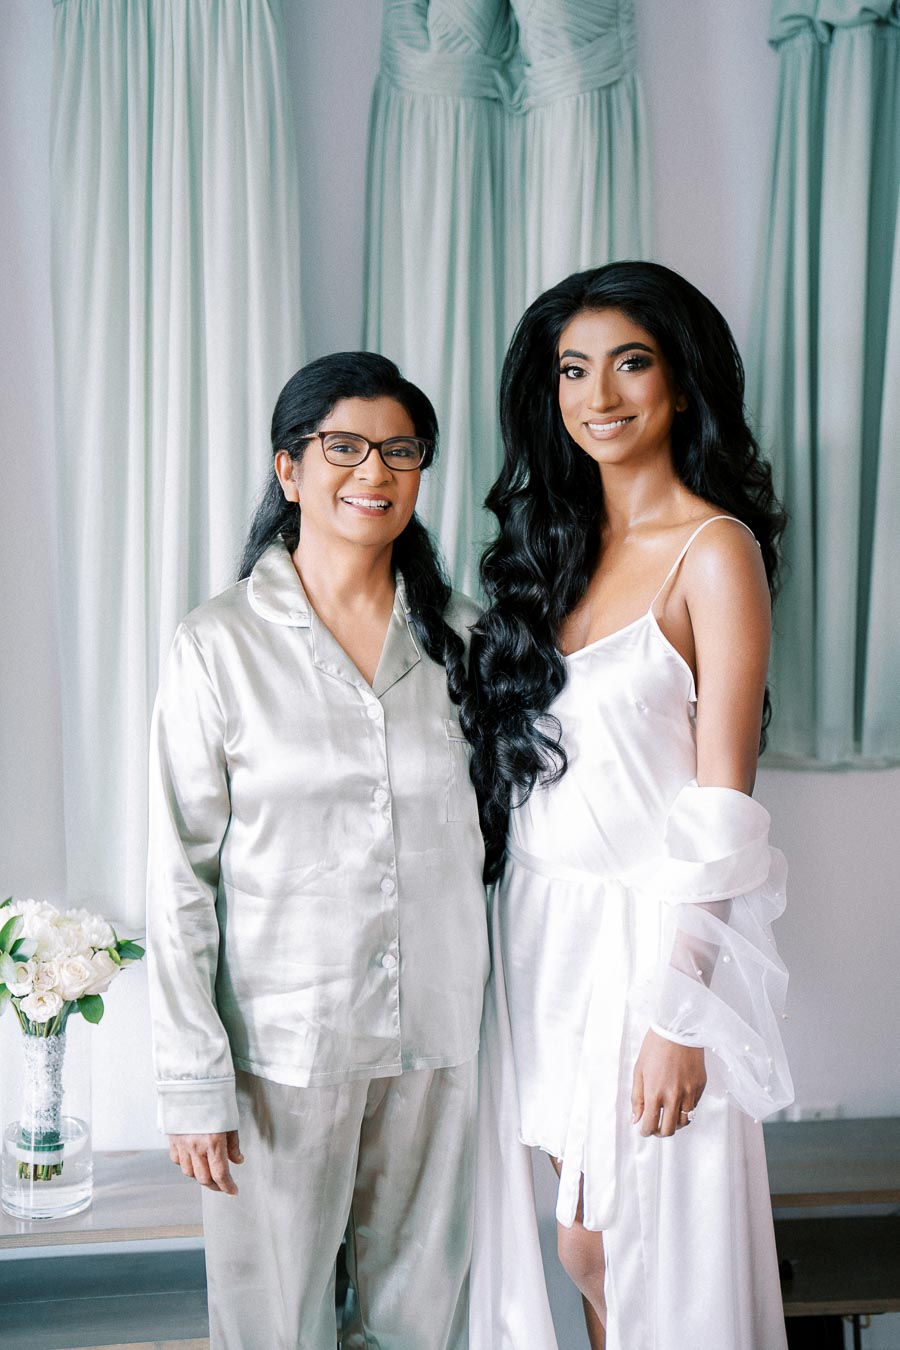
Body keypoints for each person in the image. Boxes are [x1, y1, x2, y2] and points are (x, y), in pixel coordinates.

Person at [465, 262, 793, 1350]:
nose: (598, 394)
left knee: (622, 1246)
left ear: (682, 384)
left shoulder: (715, 552)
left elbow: (722, 808)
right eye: (573, 369)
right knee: (587, 1241)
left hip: (646, 945)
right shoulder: (551, 551)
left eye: (631, 363)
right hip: (541, 935)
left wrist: (678, 1016)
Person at [146, 352, 488, 1350]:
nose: (374, 471)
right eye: (344, 447)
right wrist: (193, 1080)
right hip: (283, 1050)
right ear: (289, 468)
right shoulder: (218, 644)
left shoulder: (465, 640)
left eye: (400, 451)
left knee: (420, 1327)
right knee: (272, 1330)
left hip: (438, 1038)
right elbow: (179, 877)